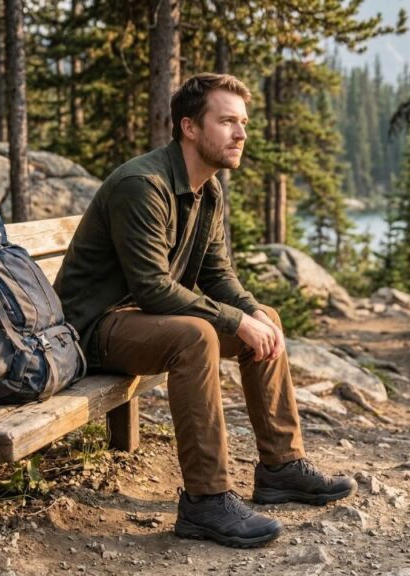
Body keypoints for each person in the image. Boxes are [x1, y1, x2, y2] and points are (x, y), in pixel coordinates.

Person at [54, 73, 356, 548]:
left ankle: (280, 467)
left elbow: (217, 275)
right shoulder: (144, 184)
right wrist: (235, 321)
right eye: (228, 122)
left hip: (143, 320)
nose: (241, 134)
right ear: (190, 127)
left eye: (244, 123)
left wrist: (252, 314)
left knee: (268, 319)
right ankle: (206, 501)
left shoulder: (208, 190)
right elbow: (153, 288)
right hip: (94, 329)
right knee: (197, 336)